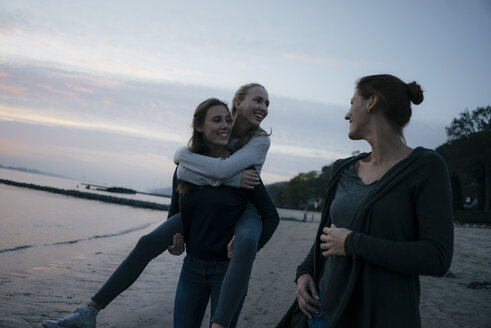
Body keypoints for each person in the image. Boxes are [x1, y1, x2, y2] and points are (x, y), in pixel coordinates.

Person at [42, 83, 276, 328]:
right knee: (146, 243)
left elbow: (222, 170)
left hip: (246, 206)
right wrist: (174, 228)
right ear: (237, 102)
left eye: (266, 103)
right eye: (258, 100)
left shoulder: (257, 141)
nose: (263, 108)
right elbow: (183, 177)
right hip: (199, 223)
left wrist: (194, 162)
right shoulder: (215, 139)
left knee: (246, 242)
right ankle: (88, 311)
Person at [277, 74, 454, 328]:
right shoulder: (342, 169)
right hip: (325, 311)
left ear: (372, 101)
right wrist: (304, 271)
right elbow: (328, 234)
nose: (347, 114)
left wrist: (353, 243)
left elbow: (437, 257)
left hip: (384, 315)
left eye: (352, 103)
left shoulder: (426, 167)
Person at [169, 98, 279, 327]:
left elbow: (270, 216)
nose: (224, 126)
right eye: (217, 120)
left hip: (228, 273)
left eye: (227, 120)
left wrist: (247, 250)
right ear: (199, 126)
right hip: (191, 267)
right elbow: (175, 213)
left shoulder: (243, 170)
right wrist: (173, 242)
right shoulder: (186, 169)